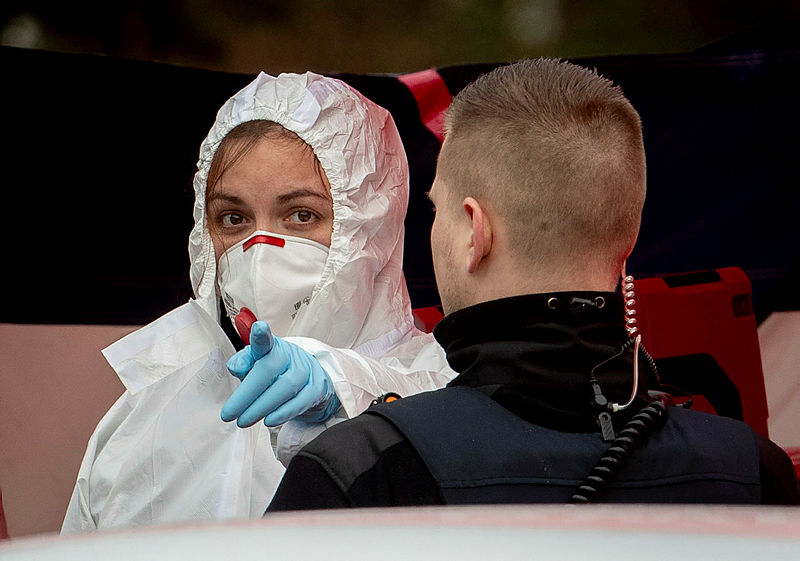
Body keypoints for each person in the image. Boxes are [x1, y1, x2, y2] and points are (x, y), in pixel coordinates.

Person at [267, 58, 800, 510]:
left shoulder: (358, 471)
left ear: (475, 232)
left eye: (436, 210)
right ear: (628, 237)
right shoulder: (755, 470)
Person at [62, 71, 455, 533]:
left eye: (301, 215)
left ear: (370, 223)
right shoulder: (141, 417)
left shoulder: (451, 389)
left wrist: (351, 395)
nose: (260, 249)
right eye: (233, 218)